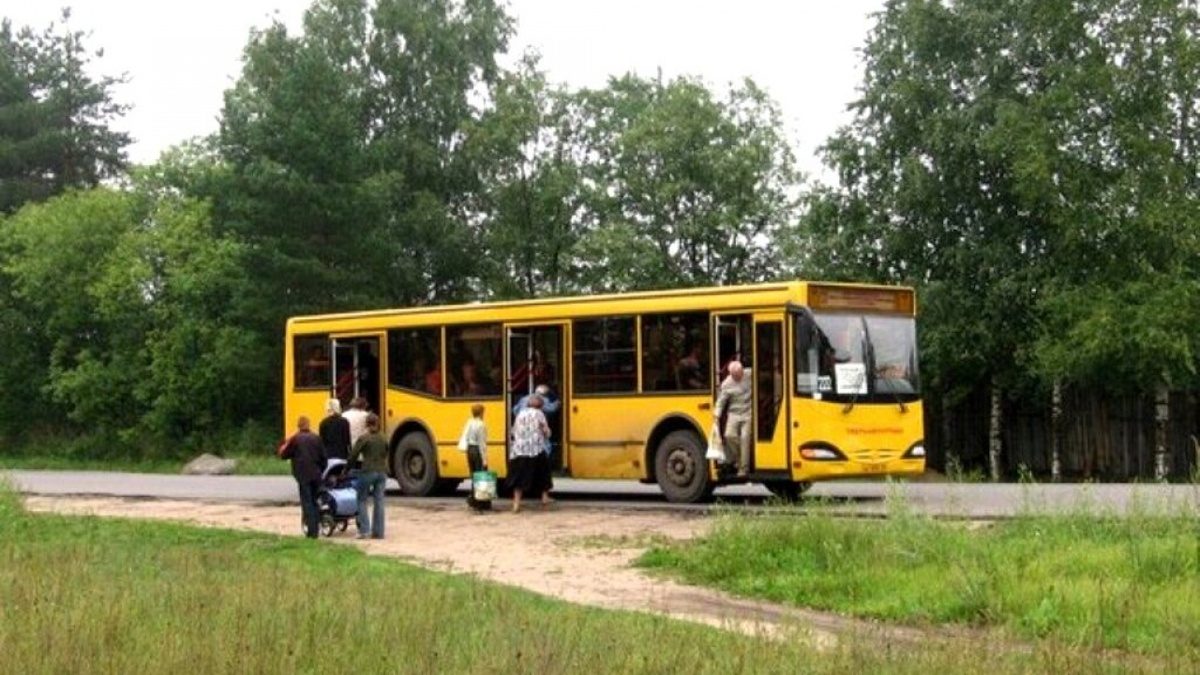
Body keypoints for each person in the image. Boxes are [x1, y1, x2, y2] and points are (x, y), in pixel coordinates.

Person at [279, 416, 327, 538]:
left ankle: (311, 532)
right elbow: (324, 459)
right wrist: (320, 470)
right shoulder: (316, 438)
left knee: (307, 502)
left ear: (299, 426)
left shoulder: (295, 439)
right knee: (315, 501)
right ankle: (315, 529)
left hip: (302, 475)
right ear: (308, 425)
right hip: (316, 474)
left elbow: (284, 455)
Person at [507, 393, 552, 513]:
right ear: (541, 406)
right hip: (535, 449)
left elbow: (513, 431)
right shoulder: (539, 414)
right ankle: (544, 497)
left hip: (519, 450)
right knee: (544, 473)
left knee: (519, 478)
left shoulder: (520, 413)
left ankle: (516, 504)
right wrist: (547, 434)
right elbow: (546, 431)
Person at [347, 413, 388, 539]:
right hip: (382, 471)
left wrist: (347, 469)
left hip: (368, 471)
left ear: (366, 424)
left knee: (361, 499)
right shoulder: (383, 438)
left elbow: (353, 455)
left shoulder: (364, 438)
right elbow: (387, 451)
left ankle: (365, 530)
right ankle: (379, 532)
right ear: (378, 423)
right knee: (379, 501)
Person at [715, 360, 753, 477]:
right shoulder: (726, 384)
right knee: (729, 435)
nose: (739, 376)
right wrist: (716, 414)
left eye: (740, 373)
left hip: (748, 412)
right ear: (731, 374)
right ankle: (738, 459)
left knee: (745, 438)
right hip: (734, 414)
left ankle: (743, 469)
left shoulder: (749, 373)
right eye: (736, 375)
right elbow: (721, 402)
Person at [458, 403, 491, 513]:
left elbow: (465, 436)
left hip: (469, 450)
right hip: (477, 450)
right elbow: (482, 444)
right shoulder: (481, 425)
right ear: (481, 412)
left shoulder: (469, 422)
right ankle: (480, 503)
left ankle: (473, 499)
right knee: (480, 476)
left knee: (473, 475)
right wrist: (485, 459)